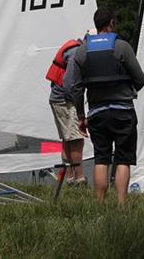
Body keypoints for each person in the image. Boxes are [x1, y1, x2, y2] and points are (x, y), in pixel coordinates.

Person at [69, 7, 144, 205]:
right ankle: (121, 205)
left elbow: (76, 88)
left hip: (97, 113)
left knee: (101, 158)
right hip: (123, 111)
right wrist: (128, 89)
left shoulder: (82, 51)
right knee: (123, 159)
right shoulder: (122, 47)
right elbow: (140, 78)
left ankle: (99, 204)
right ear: (111, 23)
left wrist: (81, 116)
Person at [47, 35, 87, 186]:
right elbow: (70, 82)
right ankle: (79, 179)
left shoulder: (75, 49)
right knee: (76, 139)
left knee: (67, 139)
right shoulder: (76, 52)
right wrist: (78, 104)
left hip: (58, 99)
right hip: (65, 101)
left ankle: (70, 178)